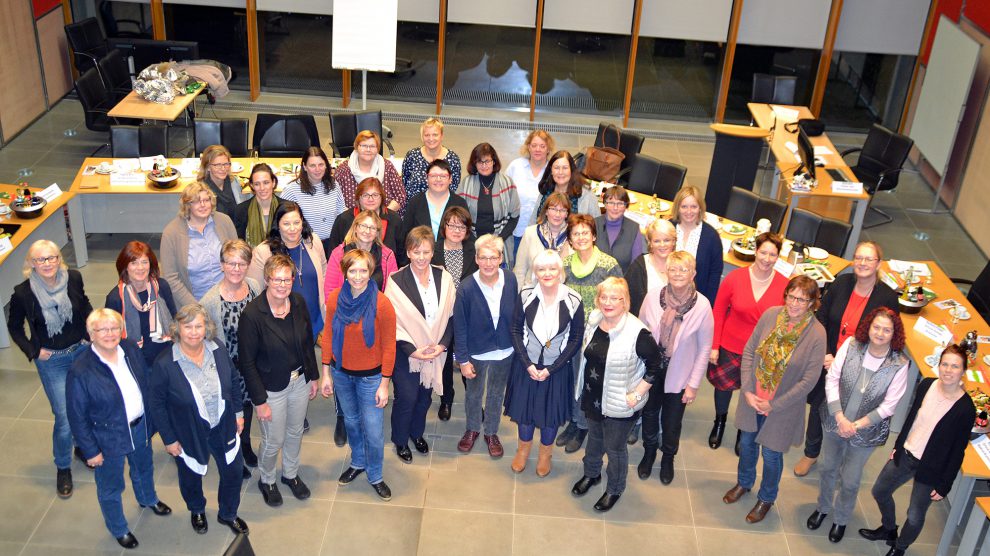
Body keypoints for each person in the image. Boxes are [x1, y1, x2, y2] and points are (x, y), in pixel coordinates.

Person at [722, 275, 826, 525]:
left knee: (771, 455)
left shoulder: (817, 334)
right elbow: (749, 351)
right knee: (747, 445)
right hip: (753, 398)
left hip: (782, 408)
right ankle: (744, 483)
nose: (795, 303)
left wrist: (773, 404)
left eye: (802, 299)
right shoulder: (770, 315)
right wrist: (747, 390)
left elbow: (808, 381)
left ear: (813, 302)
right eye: (792, 296)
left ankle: (766, 498)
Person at [68, 309, 171, 549]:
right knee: (111, 485)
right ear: (91, 334)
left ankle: (148, 499)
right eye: (102, 329)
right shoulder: (81, 369)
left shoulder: (130, 349)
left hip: (139, 426)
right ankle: (118, 527)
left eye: (114, 328)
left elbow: (145, 381)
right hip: (108, 436)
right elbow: (76, 415)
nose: (110, 334)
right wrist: (91, 450)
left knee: (144, 467)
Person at [858, 344, 975, 556]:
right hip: (907, 453)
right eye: (945, 364)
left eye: (955, 366)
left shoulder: (966, 408)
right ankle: (889, 529)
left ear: (963, 371)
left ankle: (900, 547)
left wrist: (944, 484)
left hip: (932, 468)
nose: (948, 370)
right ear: (939, 366)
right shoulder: (927, 385)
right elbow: (911, 418)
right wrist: (897, 446)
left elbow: (958, 450)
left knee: (914, 515)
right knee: (880, 491)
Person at [795, 240, 898, 477]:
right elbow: (821, 317)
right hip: (829, 357)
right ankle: (811, 453)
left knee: (852, 412)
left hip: (863, 366)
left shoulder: (887, 297)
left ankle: (843, 462)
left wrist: (849, 363)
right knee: (820, 405)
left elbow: (887, 335)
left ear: (878, 264)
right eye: (858, 258)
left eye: (868, 259)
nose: (862, 263)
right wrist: (827, 353)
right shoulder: (841, 283)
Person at [807, 307, 909, 543]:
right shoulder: (851, 345)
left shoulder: (899, 364)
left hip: (866, 432)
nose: (880, 333)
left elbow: (890, 405)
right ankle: (822, 508)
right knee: (827, 468)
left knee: (851, 480)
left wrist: (856, 425)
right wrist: (841, 417)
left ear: (895, 333)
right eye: (876, 327)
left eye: (887, 330)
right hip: (835, 420)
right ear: (868, 327)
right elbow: (832, 378)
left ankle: (841, 520)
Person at [149, 304, 248, 536]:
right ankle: (197, 509)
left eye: (198, 326)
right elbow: (157, 405)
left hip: (223, 424)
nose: (194, 332)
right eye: (188, 326)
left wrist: (238, 413)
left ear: (207, 328)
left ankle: (228, 513)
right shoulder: (165, 363)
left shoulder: (218, 349)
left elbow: (233, 380)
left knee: (233, 472)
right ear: (177, 329)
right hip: (187, 431)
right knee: (191, 475)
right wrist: (169, 439)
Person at [570, 277, 664, 513]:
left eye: (615, 298)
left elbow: (656, 364)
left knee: (615, 448)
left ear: (626, 302)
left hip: (621, 401)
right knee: (594, 440)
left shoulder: (637, 333)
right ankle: (592, 475)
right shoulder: (595, 321)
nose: (608, 302)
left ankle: (615, 487)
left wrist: (637, 394)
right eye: (604, 297)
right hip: (593, 396)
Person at [7, 239, 92, 497]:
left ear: (59, 258)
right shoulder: (23, 293)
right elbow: (14, 326)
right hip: (52, 360)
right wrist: (33, 350)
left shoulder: (73, 278)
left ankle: (80, 446)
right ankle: (63, 466)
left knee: (84, 405)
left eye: (52, 257)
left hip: (80, 351)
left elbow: (85, 303)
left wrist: (91, 330)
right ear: (31, 264)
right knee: (64, 416)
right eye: (41, 259)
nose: (48, 263)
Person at [239, 255, 320, 507]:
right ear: (266, 280)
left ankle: (290, 474)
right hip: (270, 388)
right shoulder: (252, 315)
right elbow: (247, 362)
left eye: (288, 279)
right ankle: (267, 479)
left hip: (299, 381)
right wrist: (259, 401)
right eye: (277, 279)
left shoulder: (297, 302)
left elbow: (307, 343)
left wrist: (313, 376)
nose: (283, 285)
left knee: (295, 431)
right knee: (273, 439)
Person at [321, 249, 397, 500]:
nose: (357, 276)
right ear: (344, 272)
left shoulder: (382, 304)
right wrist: (326, 373)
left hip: (371, 378)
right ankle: (358, 461)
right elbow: (329, 336)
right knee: (352, 422)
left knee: (374, 429)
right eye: (352, 270)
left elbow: (389, 346)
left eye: (363, 270)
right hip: (341, 373)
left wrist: (384, 383)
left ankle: (375, 474)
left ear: (371, 271)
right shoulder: (334, 299)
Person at [706, 232, 789, 452]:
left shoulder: (784, 285)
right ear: (755, 251)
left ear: (778, 257)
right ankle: (719, 422)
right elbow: (719, 311)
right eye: (763, 252)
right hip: (730, 344)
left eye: (773, 254)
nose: (767, 258)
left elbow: (786, 323)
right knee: (723, 388)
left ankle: (744, 430)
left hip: (762, 352)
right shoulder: (735, 278)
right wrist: (714, 345)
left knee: (751, 393)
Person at [505, 249, 584, 477]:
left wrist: (552, 368)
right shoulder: (526, 294)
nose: (547, 273)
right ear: (535, 272)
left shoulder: (573, 299)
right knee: (525, 412)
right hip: (526, 365)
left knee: (550, 416)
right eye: (541, 269)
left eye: (552, 268)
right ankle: (523, 450)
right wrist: (527, 363)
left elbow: (576, 337)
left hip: (556, 369)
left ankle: (544, 454)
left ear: (560, 271)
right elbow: (515, 329)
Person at [638, 251, 714, 485]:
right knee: (649, 414)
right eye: (673, 269)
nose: (678, 274)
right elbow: (640, 333)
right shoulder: (652, 297)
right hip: (651, 371)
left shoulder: (702, 306)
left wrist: (692, 385)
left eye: (684, 269)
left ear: (693, 274)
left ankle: (668, 456)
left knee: (672, 421)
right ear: (666, 272)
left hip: (680, 375)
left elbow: (704, 349)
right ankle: (649, 450)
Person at [384, 227, 456, 463]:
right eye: (417, 252)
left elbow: (453, 316)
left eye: (426, 252)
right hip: (407, 353)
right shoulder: (396, 281)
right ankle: (401, 439)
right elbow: (391, 322)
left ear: (432, 252)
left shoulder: (443, 278)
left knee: (425, 397)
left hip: (435, 351)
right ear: (408, 252)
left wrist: (442, 345)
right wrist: (413, 350)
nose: (422, 257)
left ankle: (417, 433)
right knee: (407, 397)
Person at [555, 213, 623, 454]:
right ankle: (574, 421)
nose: (581, 237)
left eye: (586, 232)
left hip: (599, 335)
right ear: (570, 240)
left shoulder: (608, 264)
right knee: (573, 379)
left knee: (589, 381)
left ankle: (583, 425)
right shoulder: (563, 266)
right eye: (576, 234)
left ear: (594, 235)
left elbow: (621, 300)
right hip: (572, 335)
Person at [453, 234, 518, 458]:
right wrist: (462, 360)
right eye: (483, 258)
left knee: (496, 393)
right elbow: (459, 326)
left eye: (493, 257)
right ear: (477, 259)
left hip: (505, 350)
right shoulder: (466, 287)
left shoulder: (510, 280)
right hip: (476, 352)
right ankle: (472, 428)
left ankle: (491, 431)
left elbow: (515, 316)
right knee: (474, 393)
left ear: (501, 258)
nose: (489, 263)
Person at [200, 240, 263, 469]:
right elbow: (203, 340)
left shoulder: (255, 286)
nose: (236, 269)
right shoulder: (209, 301)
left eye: (242, 264)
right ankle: (234, 452)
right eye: (231, 263)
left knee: (247, 407)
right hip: (228, 368)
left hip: (251, 364)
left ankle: (245, 444)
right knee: (230, 412)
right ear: (222, 265)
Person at [247, 201, 327, 341]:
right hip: (282, 328)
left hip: (316, 322)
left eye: (296, 222)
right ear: (277, 225)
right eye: (286, 224)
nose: (292, 228)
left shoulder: (313, 242)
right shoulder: (263, 252)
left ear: (303, 222)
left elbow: (324, 274)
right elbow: (255, 291)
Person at [431, 206, 478, 420]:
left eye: (462, 226)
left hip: (468, 315)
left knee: (468, 358)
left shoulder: (474, 251)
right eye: (452, 225)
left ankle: (475, 402)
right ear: (444, 227)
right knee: (445, 361)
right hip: (442, 315)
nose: (457, 230)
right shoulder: (433, 250)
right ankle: (446, 400)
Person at [160, 183, 238, 308]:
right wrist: (196, 307)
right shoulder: (171, 233)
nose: (203, 205)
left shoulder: (224, 221)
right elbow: (171, 278)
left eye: (206, 200)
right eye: (196, 201)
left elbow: (238, 259)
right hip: (194, 302)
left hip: (229, 296)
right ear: (187, 205)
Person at [104, 241, 177, 367]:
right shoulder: (115, 298)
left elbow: (175, 320)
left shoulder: (161, 287)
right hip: (135, 363)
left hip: (167, 358)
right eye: (134, 263)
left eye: (144, 262)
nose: (140, 268)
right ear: (125, 266)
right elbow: (110, 337)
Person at [398, 159, 469, 264]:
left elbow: (466, 234)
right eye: (433, 176)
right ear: (427, 178)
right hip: (421, 259)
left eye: (443, 176)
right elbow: (405, 235)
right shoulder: (415, 202)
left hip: (452, 259)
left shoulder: (459, 203)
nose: (438, 179)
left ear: (450, 179)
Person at [280, 147, 346, 254]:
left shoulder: (334, 185)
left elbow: (341, 212)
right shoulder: (292, 190)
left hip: (332, 243)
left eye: (321, 164)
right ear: (305, 167)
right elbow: (282, 220)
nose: (317, 169)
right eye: (312, 165)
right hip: (306, 244)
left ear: (326, 165)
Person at [456, 142, 519, 249]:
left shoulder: (508, 183)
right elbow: (459, 216)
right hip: (470, 241)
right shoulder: (466, 183)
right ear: (474, 163)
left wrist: (499, 240)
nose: (484, 165)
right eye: (480, 162)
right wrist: (473, 241)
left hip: (499, 242)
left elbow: (514, 216)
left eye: (487, 161)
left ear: (494, 161)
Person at [506, 130, 554, 260]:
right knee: (515, 269)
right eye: (534, 145)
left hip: (542, 234)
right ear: (528, 146)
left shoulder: (553, 170)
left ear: (548, 149)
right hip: (515, 231)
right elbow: (504, 194)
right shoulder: (516, 166)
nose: (537, 149)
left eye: (542, 146)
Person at [670, 185, 722, 304]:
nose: (689, 211)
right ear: (678, 207)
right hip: (666, 293)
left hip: (696, 298)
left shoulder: (711, 237)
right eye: (684, 206)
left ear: (700, 208)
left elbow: (715, 274)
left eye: (694, 206)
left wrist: (707, 304)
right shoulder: (669, 227)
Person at [326, 210, 399, 293]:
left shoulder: (387, 256)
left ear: (377, 233)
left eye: (372, 228)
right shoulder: (338, 254)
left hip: (377, 304)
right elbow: (330, 290)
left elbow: (393, 290)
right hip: (344, 305)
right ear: (355, 228)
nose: (367, 231)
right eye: (363, 226)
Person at [334, 130, 405, 214]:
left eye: (372, 146)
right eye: (364, 146)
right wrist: (355, 219)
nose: (368, 150)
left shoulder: (387, 167)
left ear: (377, 149)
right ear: (357, 147)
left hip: (383, 217)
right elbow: (334, 199)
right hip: (353, 221)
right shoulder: (343, 170)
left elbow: (400, 196)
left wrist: (383, 216)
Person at [327, 177, 401, 255]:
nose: (371, 199)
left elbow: (401, 254)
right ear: (358, 197)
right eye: (365, 195)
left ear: (382, 197)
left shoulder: (394, 219)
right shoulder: (343, 219)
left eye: (375, 195)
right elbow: (333, 253)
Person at [514, 192, 572, 291]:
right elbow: (520, 270)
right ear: (546, 211)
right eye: (553, 209)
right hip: (532, 291)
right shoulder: (530, 233)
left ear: (566, 214)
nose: (557, 214)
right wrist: (518, 297)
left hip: (561, 294)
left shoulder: (573, 236)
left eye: (562, 210)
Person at [530, 150, 598, 224]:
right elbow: (533, 222)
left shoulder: (586, 194)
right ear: (551, 170)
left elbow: (598, 225)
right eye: (556, 168)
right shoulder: (545, 190)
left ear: (571, 170)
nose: (560, 172)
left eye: (565, 168)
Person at [625, 219, 676, 317]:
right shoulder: (639, 267)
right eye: (657, 241)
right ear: (650, 243)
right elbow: (627, 303)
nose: (662, 245)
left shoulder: (683, 266)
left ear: (673, 241)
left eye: (667, 240)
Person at [402, 117, 462, 199]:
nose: (431, 139)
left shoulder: (453, 159)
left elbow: (454, 187)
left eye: (435, 135)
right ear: (422, 137)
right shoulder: (412, 156)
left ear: (442, 136)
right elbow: (404, 183)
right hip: (414, 207)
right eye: (427, 135)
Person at [234, 163, 283, 248]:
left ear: (273, 183)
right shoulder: (240, 211)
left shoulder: (286, 209)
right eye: (257, 184)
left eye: (266, 183)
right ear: (252, 186)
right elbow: (239, 245)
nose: (262, 188)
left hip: (281, 259)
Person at [595, 185, 645, 269]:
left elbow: (636, 266)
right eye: (611, 203)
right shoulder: (593, 224)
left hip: (622, 280)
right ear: (604, 204)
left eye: (620, 203)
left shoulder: (634, 229)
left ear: (626, 206)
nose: (615, 208)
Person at [197, 144, 249, 221]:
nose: (223, 169)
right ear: (208, 167)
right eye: (217, 165)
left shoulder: (234, 182)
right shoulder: (201, 190)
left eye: (226, 164)